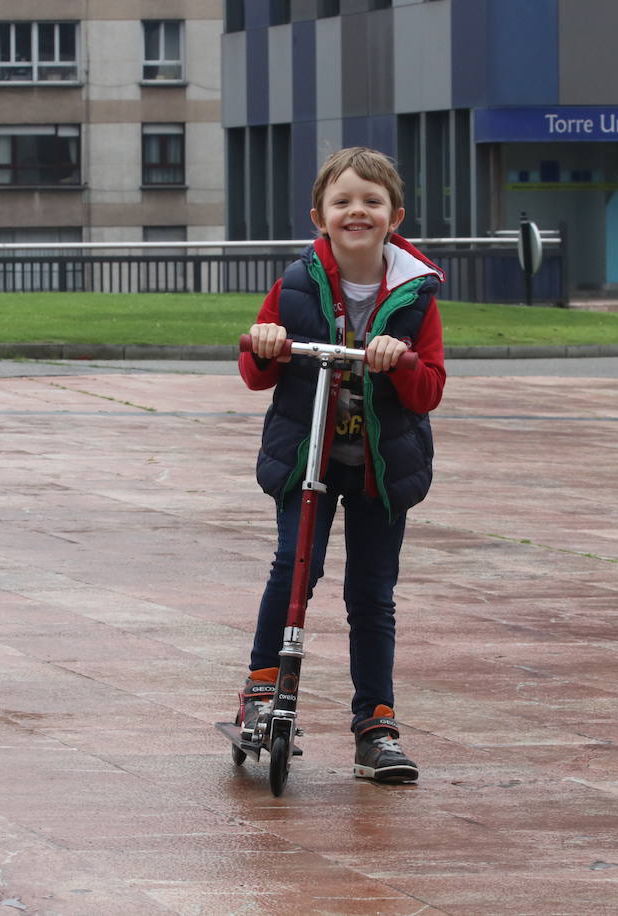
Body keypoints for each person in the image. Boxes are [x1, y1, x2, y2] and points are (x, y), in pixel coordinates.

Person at [233, 147, 447, 784]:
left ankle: (375, 725)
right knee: (294, 569)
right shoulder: (296, 285)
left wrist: (402, 360)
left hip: (382, 467)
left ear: (394, 215)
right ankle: (262, 691)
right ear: (319, 217)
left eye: (372, 201)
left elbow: (430, 387)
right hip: (308, 460)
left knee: (372, 595)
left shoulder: (414, 294)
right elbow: (254, 370)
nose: (358, 211)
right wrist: (266, 344)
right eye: (343, 201)